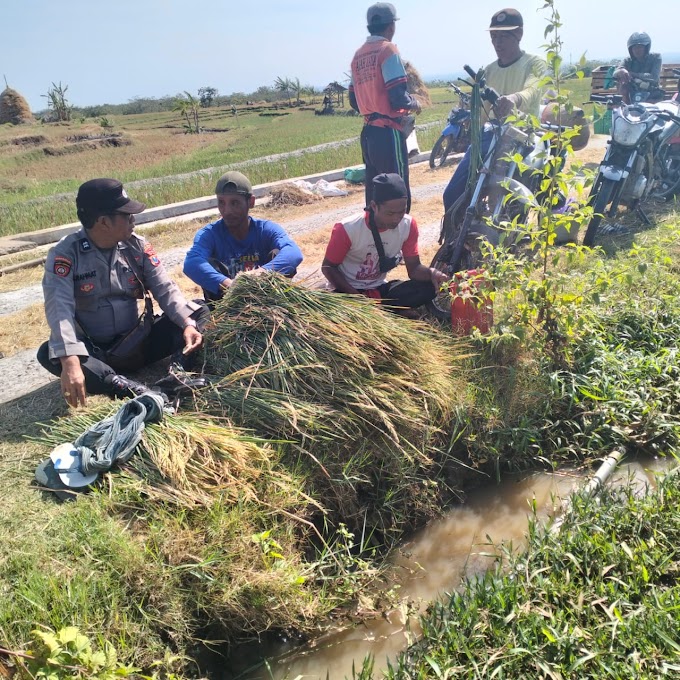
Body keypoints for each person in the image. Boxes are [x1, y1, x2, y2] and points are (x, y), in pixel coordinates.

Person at [37, 178, 209, 407]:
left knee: (198, 312)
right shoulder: (66, 255)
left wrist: (186, 323)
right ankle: (135, 390)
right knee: (50, 353)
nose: (133, 220)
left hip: (139, 343)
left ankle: (176, 375)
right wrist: (70, 361)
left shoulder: (136, 246)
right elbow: (59, 309)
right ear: (104, 222)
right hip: (97, 354)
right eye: (126, 215)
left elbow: (165, 288)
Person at [442, 8, 546, 211]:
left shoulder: (534, 63)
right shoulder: (487, 71)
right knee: (453, 194)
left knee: (514, 198)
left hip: (523, 136)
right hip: (491, 136)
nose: (497, 42)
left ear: (519, 34)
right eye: (494, 36)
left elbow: (533, 89)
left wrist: (514, 99)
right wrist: (470, 130)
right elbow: (479, 110)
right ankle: (459, 237)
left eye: (504, 36)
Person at [322, 173, 448, 315]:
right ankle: (390, 311)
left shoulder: (408, 225)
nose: (396, 219)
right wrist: (357, 298)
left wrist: (432, 274)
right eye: (390, 213)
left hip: (379, 290)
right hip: (347, 292)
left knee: (428, 288)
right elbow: (328, 267)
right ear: (374, 206)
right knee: (336, 312)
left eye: (401, 212)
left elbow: (414, 269)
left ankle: (381, 310)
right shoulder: (347, 228)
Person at [183, 171, 303, 302]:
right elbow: (191, 263)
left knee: (278, 253)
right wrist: (230, 285)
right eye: (221, 203)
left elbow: (293, 253)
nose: (227, 211)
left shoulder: (265, 230)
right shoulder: (209, 234)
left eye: (234, 203)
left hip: (268, 301)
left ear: (250, 202)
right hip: (226, 305)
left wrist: (258, 274)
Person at [349, 2, 421, 212]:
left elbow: (354, 100)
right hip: (388, 134)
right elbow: (398, 97)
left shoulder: (358, 56)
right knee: (398, 193)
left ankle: (374, 239)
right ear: (391, 26)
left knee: (375, 194)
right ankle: (399, 240)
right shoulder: (388, 50)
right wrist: (414, 103)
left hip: (368, 134)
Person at [613, 32, 663, 104]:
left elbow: (654, 77)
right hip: (631, 93)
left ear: (646, 47)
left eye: (640, 47)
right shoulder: (627, 60)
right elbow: (615, 73)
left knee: (652, 108)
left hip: (652, 92)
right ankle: (624, 108)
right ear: (630, 49)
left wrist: (633, 74)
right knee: (623, 87)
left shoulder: (656, 57)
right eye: (634, 47)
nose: (637, 50)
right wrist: (621, 71)